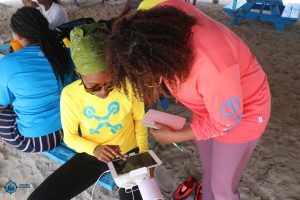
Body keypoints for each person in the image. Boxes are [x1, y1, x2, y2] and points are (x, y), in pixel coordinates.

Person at [105, 0, 271, 199]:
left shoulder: (211, 66)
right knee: (210, 169)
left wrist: (174, 136)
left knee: (222, 188)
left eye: (152, 76)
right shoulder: (153, 15)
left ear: (165, 60)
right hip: (212, 104)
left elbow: (227, 121)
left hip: (244, 114)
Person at [28, 23, 147, 200]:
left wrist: (143, 156)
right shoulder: (70, 95)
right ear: (78, 73)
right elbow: (70, 137)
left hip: (128, 152)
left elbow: (140, 122)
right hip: (93, 154)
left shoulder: (129, 86)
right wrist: (95, 148)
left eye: (110, 83)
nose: (104, 93)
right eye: (94, 87)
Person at [0, 7, 73, 152]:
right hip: (68, 127)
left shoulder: (8, 62)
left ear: (18, 36)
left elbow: (4, 102)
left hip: (34, 140)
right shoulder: (65, 52)